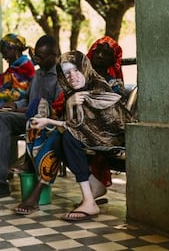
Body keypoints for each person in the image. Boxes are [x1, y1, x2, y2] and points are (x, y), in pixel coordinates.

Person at [23, 50, 134, 221]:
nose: (72, 76)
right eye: (67, 73)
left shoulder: (97, 87)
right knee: (62, 137)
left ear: (84, 68)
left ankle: (88, 202)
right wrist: (65, 108)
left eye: (76, 70)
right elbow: (77, 124)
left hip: (116, 137)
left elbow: (93, 126)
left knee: (67, 136)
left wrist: (50, 121)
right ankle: (94, 187)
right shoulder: (74, 93)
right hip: (92, 136)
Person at [0, 35, 63, 201]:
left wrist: (20, 109)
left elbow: (55, 109)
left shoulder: (61, 77)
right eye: (36, 55)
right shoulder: (38, 75)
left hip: (43, 121)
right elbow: (27, 99)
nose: (36, 59)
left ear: (55, 55)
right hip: (25, 116)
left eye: (41, 56)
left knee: (2, 119)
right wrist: (14, 105)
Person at [84, 35, 125, 195]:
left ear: (112, 60)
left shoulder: (115, 85)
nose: (100, 56)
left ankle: (93, 188)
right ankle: (92, 188)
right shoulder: (82, 81)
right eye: (97, 51)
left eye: (105, 54)